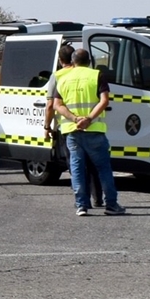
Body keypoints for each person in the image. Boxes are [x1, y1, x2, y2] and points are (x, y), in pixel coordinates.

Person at [53, 48, 126, 216]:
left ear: (73, 61)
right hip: (94, 130)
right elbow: (104, 100)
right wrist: (89, 119)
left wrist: (74, 118)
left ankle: (81, 205)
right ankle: (111, 205)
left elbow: (57, 105)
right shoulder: (96, 75)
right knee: (103, 169)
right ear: (89, 61)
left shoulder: (63, 78)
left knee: (77, 168)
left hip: (72, 131)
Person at [44, 44, 103, 208]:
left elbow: (51, 105)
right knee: (93, 164)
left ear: (61, 60)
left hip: (68, 127)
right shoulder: (90, 74)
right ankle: (98, 198)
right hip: (92, 125)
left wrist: (47, 127)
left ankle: (82, 201)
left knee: (75, 165)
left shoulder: (58, 76)